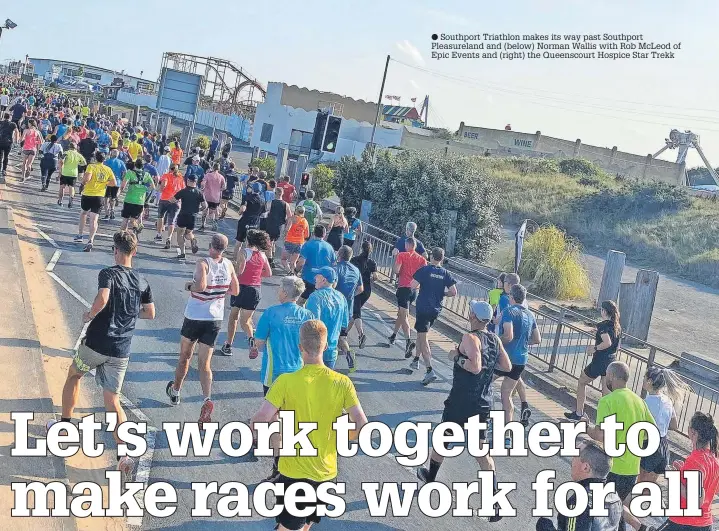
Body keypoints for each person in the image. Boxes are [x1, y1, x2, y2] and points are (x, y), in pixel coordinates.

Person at [49, 231, 155, 477]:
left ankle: (64, 427)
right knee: (113, 400)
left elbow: (103, 298)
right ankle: (123, 453)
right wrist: (130, 314)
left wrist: (90, 314)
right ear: (135, 252)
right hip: (121, 350)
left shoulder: (108, 273)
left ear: (115, 250)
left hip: (96, 344)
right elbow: (150, 313)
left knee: (74, 375)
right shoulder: (142, 281)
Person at [250, 319, 368, 530]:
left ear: (300, 347)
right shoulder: (342, 383)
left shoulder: (285, 382)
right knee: (306, 524)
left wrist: (271, 438)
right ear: (325, 346)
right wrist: (341, 438)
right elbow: (361, 423)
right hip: (325, 471)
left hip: (293, 471)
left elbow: (259, 420)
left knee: (288, 527)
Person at [416, 300, 511, 523]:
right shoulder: (495, 339)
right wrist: (488, 371)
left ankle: (430, 478)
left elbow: (474, 366)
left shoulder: (470, 338)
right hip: (483, 402)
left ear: (473, 317)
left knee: (442, 440)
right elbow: (506, 366)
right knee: (482, 453)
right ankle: (494, 503)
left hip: (461, 401)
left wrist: (455, 356)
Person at [166, 234, 239, 427]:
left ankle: (175, 392)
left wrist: (189, 285)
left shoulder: (203, 263)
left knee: (185, 357)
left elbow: (201, 286)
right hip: (214, 318)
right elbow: (235, 290)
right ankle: (207, 399)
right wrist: (219, 291)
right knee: (205, 364)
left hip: (195, 315)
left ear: (211, 246)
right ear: (224, 248)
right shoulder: (229, 264)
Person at [587, 361, 656, 531]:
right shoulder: (640, 402)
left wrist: (586, 427)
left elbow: (600, 435)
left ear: (611, 376)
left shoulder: (607, 401)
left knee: (603, 512)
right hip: (632, 468)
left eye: (606, 377)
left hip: (612, 466)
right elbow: (651, 432)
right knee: (616, 511)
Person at [536, 439, 623, 531]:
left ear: (585, 467)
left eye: (575, 456)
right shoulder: (614, 497)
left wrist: (545, 527)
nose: (572, 460)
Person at [495, 284, 541, 446]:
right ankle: (507, 435)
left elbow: (508, 335)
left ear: (511, 297)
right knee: (506, 395)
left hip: (504, 357)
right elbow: (537, 339)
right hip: (521, 359)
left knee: (483, 381)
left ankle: (477, 418)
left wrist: (496, 342)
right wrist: (522, 343)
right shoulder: (530, 315)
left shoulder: (508, 311)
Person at [657, 412, 719, 531]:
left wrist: (674, 478)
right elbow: (712, 487)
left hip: (684, 521)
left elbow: (696, 500)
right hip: (705, 523)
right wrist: (683, 472)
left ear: (693, 432)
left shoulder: (695, 460)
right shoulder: (714, 460)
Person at [566, 300, 623, 421]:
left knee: (582, 381)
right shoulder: (617, 327)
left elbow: (607, 342)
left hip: (599, 361)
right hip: (611, 361)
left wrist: (595, 348)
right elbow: (617, 347)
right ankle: (607, 421)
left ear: (604, 311)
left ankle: (579, 412)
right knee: (606, 393)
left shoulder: (602, 326)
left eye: (601, 310)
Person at [409, 247, 458, 385]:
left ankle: (430, 370)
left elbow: (413, 285)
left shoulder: (425, 270)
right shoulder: (445, 273)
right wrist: (443, 294)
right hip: (435, 310)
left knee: (423, 339)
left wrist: (421, 286)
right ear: (442, 258)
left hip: (423, 307)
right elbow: (454, 292)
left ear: (431, 257)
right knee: (421, 334)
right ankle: (415, 360)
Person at [222, 229, 272, 358]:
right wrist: (256, 274)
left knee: (233, 317)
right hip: (255, 289)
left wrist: (232, 275)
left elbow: (240, 271)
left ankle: (228, 345)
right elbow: (268, 273)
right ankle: (251, 339)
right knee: (246, 321)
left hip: (241, 287)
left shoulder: (243, 252)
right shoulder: (262, 255)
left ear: (248, 241)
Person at [639, 367, 689, 484]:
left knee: (639, 483)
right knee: (650, 485)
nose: (643, 380)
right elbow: (674, 425)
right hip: (663, 445)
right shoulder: (668, 401)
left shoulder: (645, 403)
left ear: (650, 381)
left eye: (644, 378)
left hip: (648, 444)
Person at [305, 267, 350, 370]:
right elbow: (344, 324)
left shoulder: (315, 297)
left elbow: (312, 325)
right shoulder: (341, 297)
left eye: (317, 275)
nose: (315, 277)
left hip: (314, 351)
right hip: (331, 351)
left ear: (324, 280)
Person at [389, 237, 427, 353]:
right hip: (415, 290)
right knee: (401, 314)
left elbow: (396, 270)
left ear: (407, 245)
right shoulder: (422, 259)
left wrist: (396, 261)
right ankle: (393, 336)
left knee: (404, 316)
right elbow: (423, 274)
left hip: (403, 288)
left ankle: (408, 341)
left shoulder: (402, 255)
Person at [76, 152, 116, 252]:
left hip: (88, 194)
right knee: (94, 219)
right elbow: (114, 183)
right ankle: (91, 240)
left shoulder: (91, 166)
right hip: (99, 196)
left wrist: (83, 183)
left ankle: (80, 235)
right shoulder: (108, 169)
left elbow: (87, 179)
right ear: (104, 160)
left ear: (95, 158)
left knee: (83, 213)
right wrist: (104, 183)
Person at [334, 246, 363, 372]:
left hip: (333, 309)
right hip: (347, 309)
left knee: (327, 335)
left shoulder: (335, 269)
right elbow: (360, 289)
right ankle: (348, 354)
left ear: (339, 254)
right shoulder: (356, 270)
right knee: (341, 337)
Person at [348, 240, 377, 349]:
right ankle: (344, 333)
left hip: (357, 288)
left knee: (356, 312)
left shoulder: (354, 260)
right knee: (355, 310)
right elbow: (375, 277)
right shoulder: (372, 262)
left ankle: (361, 334)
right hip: (367, 290)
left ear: (361, 249)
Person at [170, 173, 206, 261]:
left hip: (183, 214)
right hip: (193, 216)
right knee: (188, 233)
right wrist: (199, 210)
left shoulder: (183, 191)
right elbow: (205, 205)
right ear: (196, 182)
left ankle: (182, 253)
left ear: (188, 181)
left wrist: (175, 201)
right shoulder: (199, 193)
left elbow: (172, 200)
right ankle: (192, 239)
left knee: (180, 234)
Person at [297, 225, 336, 305]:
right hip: (323, 280)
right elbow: (334, 265)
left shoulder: (307, 245)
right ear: (324, 234)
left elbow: (301, 263)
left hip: (309, 278)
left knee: (301, 302)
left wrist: (296, 270)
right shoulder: (330, 247)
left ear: (313, 233)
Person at [120, 160, 155, 234]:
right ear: (143, 166)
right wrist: (145, 189)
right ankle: (135, 228)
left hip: (129, 199)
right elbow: (153, 187)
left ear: (135, 165)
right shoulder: (147, 174)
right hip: (140, 201)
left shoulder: (130, 172)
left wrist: (120, 192)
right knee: (133, 220)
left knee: (125, 220)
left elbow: (123, 186)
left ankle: (122, 237)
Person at [155, 164, 185, 248]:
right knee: (172, 220)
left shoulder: (166, 175)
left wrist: (160, 189)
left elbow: (163, 185)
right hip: (175, 201)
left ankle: (159, 235)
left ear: (169, 168)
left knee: (160, 217)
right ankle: (169, 237)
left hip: (164, 199)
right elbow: (183, 189)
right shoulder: (180, 178)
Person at [265, 184, 292, 267]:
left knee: (268, 242)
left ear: (275, 193)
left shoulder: (271, 202)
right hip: (279, 226)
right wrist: (287, 228)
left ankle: (270, 260)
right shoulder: (286, 204)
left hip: (270, 224)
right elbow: (290, 217)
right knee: (273, 242)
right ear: (282, 193)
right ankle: (272, 256)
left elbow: (266, 210)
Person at [234, 181, 265, 253]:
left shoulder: (248, 198)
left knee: (239, 242)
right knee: (252, 244)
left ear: (252, 189)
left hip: (245, 221)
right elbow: (264, 213)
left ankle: (235, 260)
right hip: (256, 223)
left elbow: (242, 209)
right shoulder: (263, 201)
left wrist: (240, 212)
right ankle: (250, 260)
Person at [281, 205, 310, 274]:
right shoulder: (305, 221)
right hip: (299, 243)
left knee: (283, 259)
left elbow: (287, 229)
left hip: (289, 241)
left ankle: (289, 271)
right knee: (293, 262)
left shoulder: (292, 219)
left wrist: (284, 236)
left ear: (296, 211)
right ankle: (293, 273)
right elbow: (307, 235)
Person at [57, 142, 86, 208]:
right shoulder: (78, 155)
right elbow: (84, 163)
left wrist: (60, 169)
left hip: (65, 172)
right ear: (75, 148)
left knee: (62, 187)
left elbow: (61, 160)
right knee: (72, 187)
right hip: (73, 173)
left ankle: (60, 201)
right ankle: (70, 201)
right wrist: (78, 164)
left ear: (69, 146)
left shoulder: (66, 153)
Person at [200, 162, 226, 231]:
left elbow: (203, 184)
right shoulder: (221, 177)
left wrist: (202, 188)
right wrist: (218, 189)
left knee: (205, 210)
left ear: (213, 167)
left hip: (207, 196)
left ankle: (203, 225)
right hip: (216, 197)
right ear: (219, 168)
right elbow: (224, 187)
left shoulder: (208, 175)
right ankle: (215, 223)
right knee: (216, 210)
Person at [103, 149, 126, 220]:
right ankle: (112, 211)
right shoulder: (121, 162)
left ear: (111, 154)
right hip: (117, 182)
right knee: (112, 198)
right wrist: (122, 178)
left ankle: (107, 214)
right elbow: (125, 171)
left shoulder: (107, 161)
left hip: (108, 182)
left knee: (106, 198)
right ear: (118, 155)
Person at [0, 112, 19, 177]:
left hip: (0, 141)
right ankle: (4, 170)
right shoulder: (13, 124)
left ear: (4, 117)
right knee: (6, 156)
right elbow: (17, 132)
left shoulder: (1, 122)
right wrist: (16, 141)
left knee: (0, 156)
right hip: (8, 142)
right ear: (10, 117)